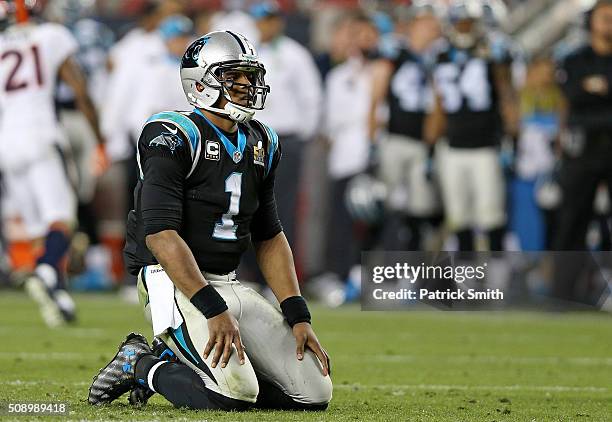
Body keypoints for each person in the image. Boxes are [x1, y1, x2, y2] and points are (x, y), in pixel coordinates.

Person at [88, 31, 332, 411]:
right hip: (171, 282)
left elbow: (268, 235)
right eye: (234, 76)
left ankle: (213, 368)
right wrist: (212, 309)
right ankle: (142, 364)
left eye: (250, 77)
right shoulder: (172, 134)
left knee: (313, 394)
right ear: (200, 83)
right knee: (232, 396)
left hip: (228, 282)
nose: (247, 86)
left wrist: (298, 315)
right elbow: (161, 236)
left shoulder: (262, 141)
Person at [0, 0, 106, 326]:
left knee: (37, 229)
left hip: (7, 142)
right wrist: (99, 139)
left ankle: (57, 298)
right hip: (41, 134)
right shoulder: (50, 35)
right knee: (62, 220)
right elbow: (79, 89)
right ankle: (47, 269)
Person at [425, 0, 518, 251]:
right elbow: (438, 104)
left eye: (469, 23)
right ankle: (467, 280)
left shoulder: (493, 51)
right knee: (458, 217)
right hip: (452, 146)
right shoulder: (440, 54)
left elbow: (507, 96)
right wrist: (430, 148)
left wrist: (512, 139)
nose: (464, 28)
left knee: (491, 216)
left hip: (485, 145)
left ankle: (496, 279)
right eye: (460, 23)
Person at [369, 2, 442, 251]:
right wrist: (372, 141)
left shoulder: (436, 58)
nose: (432, 30)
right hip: (394, 138)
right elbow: (376, 95)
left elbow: (437, 106)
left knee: (420, 210)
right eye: (427, 25)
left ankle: (410, 274)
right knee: (383, 206)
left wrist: (431, 146)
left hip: (420, 143)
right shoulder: (395, 50)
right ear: (414, 25)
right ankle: (366, 268)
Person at [552, 0, 612, 302]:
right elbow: (572, 94)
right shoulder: (574, 58)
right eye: (604, 17)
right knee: (572, 220)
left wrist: (597, 89)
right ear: (591, 21)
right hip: (583, 149)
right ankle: (562, 293)